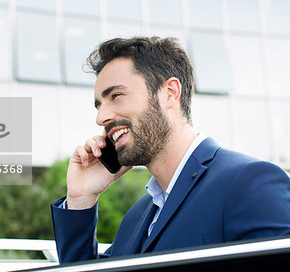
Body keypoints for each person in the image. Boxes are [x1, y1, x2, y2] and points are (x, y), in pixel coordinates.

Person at [50, 37, 290, 264]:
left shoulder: (249, 183)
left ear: (170, 92)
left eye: (116, 95)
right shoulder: (137, 217)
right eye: (99, 105)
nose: (101, 117)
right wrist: (81, 198)